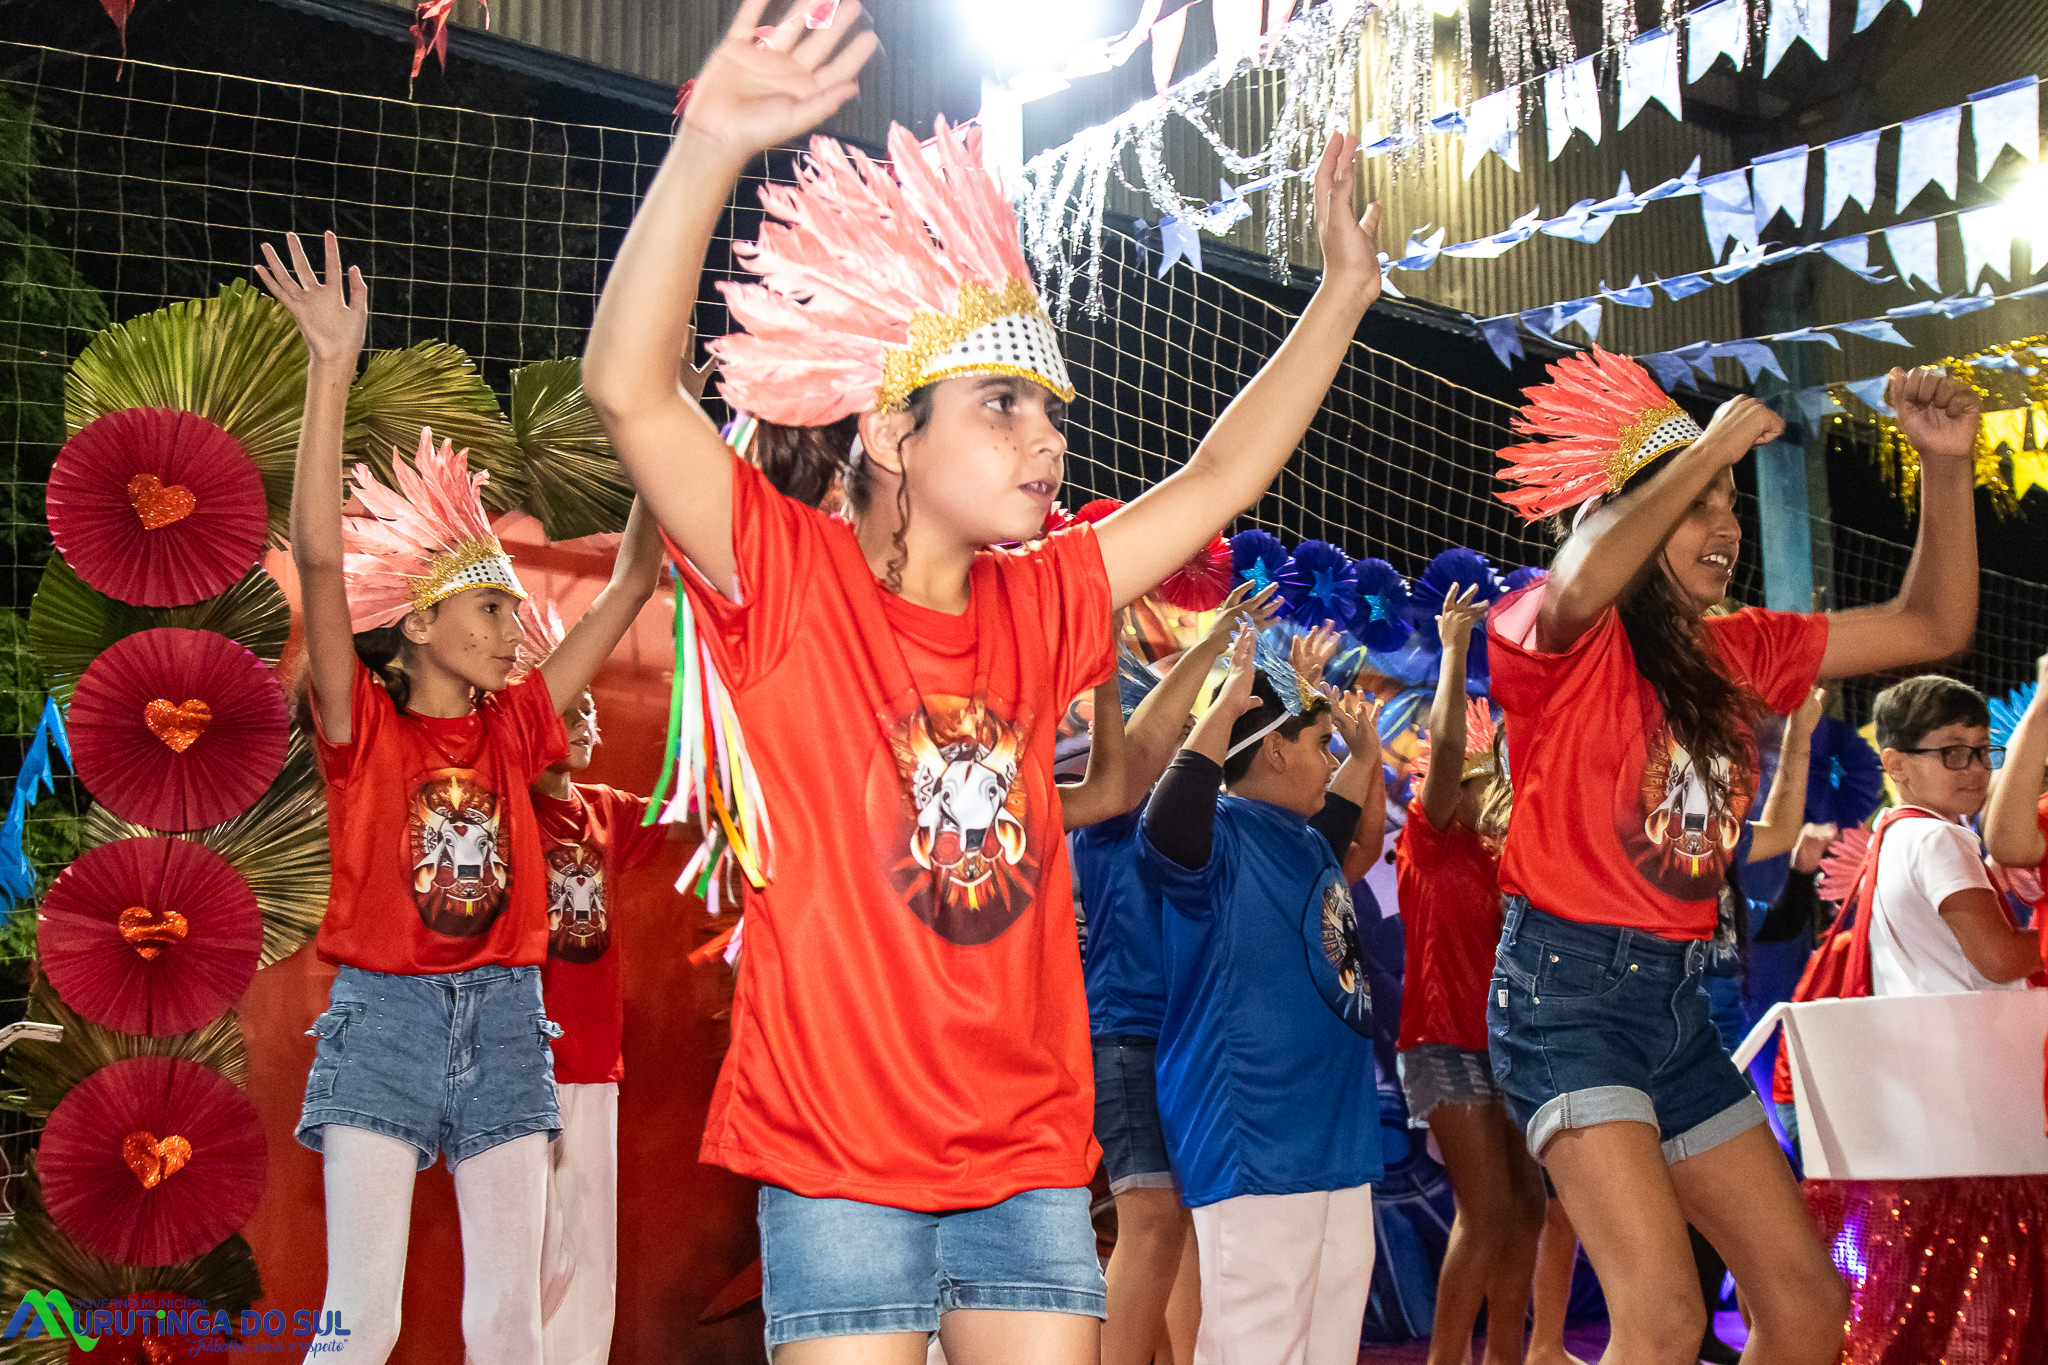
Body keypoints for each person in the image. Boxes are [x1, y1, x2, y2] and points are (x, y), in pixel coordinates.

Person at [579, 3, 1386, 1358]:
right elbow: (628, 391)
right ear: (891, 433)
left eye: (1051, 412)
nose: (1046, 440)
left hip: (1025, 1163)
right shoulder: (790, 579)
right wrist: (710, 141)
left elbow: (1218, 477)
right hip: (837, 1163)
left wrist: (1343, 293)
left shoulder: (1043, 598)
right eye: (1002, 406)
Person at [1485, 348, 1982, 1365]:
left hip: (1680, 1006)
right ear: (1631, 511)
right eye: (1699, 503)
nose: (1727, 525)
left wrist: (1944, 465)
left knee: (1804, 1307)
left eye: (1730, 503)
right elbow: (1582, 574)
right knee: (1663, 1317)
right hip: (1563, 998)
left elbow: (1931, 623)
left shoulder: (1740, 648)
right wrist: (1705, 447)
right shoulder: (1553, 632)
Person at [263, 231, 664, 1365]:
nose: (513, 628)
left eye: (513, 612)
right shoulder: (362, 726)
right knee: (363, 1319)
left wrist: (662, 427)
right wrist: (332, 367)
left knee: (507, 1323)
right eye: (490, 610)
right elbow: (321, 561)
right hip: (382, 1018)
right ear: (419, 624)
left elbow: (630, 582)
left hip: (506, 1018)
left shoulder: (519, 725)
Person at [1139, 630, 1385, 1365]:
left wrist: (1365, 755)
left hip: (1333, 1139)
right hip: (1258, 1135)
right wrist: (1226, 706)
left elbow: (1343, 807)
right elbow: (1165, 821)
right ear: (1274, 750)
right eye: (1319, 744)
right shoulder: (1219, 833)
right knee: (1258, 1344)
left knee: (1328, 1345)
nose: (1330, 761)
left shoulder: (1303, 837)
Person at [1077, 585, 1278, 1365]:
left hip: (1182, 1036)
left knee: (1183, 1221)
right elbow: (1131, 752)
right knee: (1154, 1219)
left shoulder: (1187, 809)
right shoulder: (1109, 805)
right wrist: (1204, 651)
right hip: (1128, 1033)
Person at [1395, 584, 1543, 1365]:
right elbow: (1448, 748)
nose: (1493, 792)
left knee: (1527, 1207)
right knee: (1486, 1211)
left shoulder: (1505, 860)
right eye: (1481, 781)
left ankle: (1507, 1357)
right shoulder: (1429, 838)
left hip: (1506, 1044)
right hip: (1442, 1040)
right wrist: (1456, 650)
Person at [1866, 675, 2040, 995]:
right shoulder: (1936, 838)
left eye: (1983, 750)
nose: (1976, 768)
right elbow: (2000, 960)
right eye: (1954, 752)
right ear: (1896, 764)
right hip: (1967, 1026)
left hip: (1919, 1023)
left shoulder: (1888, 832)